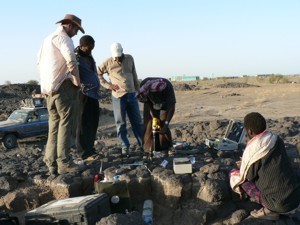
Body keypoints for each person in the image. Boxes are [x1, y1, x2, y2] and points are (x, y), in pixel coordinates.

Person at [37, 14, 85, 175]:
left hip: (48, 89)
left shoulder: (47, 39)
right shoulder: (64, 39)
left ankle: (51, 163)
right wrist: (77, 81)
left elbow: (39, 62)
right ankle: (64, 162)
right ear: (69, 25)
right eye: (77, 29)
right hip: (63, 87)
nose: (77, 33)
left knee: (54, 126)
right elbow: (71, 60)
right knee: (66, 123)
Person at [230, 112, 300, 221]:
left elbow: (248, 176)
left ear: (249, 131)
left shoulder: (254, 148)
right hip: (295, 199)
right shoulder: (275, 139)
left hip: (278, 204)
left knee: (237, 176)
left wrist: (244, 165)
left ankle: (269, 210)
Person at [97, 43, 143, 157]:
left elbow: (134, 74)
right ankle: (125, 146)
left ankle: (143, 145)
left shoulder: (129, 58)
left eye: (118, 55)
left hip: (132, 94)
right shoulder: (107, 62)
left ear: (122, 51)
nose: (117, 58)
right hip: (118, 96)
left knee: (137, 121)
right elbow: (98, 73)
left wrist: (139, 90)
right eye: (115, 56)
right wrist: (108, 85)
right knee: (120, 122)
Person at [74, 35, 101, 160]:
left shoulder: (88, 55)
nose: (90, 51)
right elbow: (71, 72)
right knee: (83, 124)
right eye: (88, 48)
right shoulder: (76, 57)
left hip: (94, 95)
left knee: (93, 123)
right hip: (84, 94)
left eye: (92, 48)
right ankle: (83, 153)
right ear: (81, 46)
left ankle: (90, 149)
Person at [136, 77, 176, 155]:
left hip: (164, 104)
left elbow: (172, 108)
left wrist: (166, 124)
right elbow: (147, 102)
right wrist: (153, 115)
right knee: (149, 124)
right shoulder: (145, 86)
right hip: (150, 103)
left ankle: (166, 147)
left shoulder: (167, 88)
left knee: (163, 123)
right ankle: (147, 148)